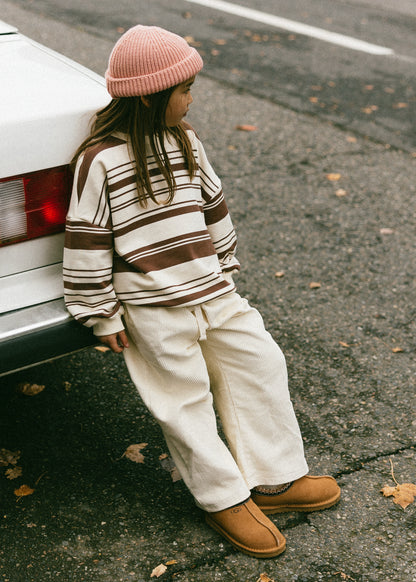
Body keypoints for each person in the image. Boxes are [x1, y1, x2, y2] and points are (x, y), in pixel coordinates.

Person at [63, 25, 340, 559]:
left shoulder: (185, 138)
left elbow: (212, 203)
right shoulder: (100, 160)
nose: (191, 98)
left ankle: (275, 479)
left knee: (259, 363)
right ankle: (221, 496)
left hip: (212, 290)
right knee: (183, 401)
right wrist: (101, 312)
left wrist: (224, 261)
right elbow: (87, 240)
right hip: (152, 306)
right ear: (148, 95)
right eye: (184, 89)